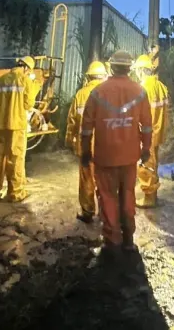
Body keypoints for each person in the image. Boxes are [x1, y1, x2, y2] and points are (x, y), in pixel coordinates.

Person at [81, 50, 152, 254]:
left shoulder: (97, 93)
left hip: (105, 156)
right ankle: (128, 239)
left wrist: (85, 151)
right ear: (130, 68)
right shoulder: (139, 92)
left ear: (111, 67)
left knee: (108, 197)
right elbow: (147, 125)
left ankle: (113, 241)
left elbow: (86, 127)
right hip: (130, 157)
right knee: (128, 195)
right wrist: (146, 149)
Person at [0, 55, 37, 202]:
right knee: (15, 158)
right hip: (17, 125)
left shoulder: (3, 79)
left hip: (1, 124)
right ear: (27, 68)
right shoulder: (26, 80)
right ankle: (15, 193)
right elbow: (28, 104)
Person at [65, 60, 108, 223]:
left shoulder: (81, 94)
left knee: (86, 180)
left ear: (88, 77)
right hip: (105, 146)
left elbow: (72, 121)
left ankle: (88, 211)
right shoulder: (108, 94)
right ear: (103, 76)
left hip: (85, 146)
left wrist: (69, 139)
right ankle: (105, 213)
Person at [132, 54, 169, 208]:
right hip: (158, 132)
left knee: (145, 165)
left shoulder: (143, 88)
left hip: (146, 134)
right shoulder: (161, 86)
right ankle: (153, 195)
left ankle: (149, 198)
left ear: (141, 70)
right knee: (153, 164)